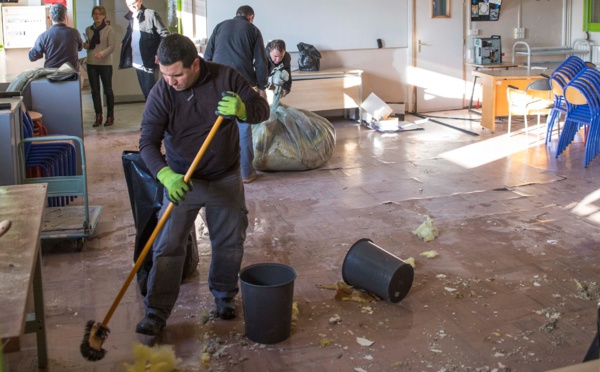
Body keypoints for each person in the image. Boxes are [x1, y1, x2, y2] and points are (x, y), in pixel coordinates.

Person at [136, 34, 269, 336]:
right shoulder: (162, 93)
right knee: (167, 245)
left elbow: (262, 109)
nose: (171, 81)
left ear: (195, 64)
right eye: (166, 74)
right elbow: (147, 143)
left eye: (178, 74)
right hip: (183, 179)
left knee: (229, 241)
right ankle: (156, 311)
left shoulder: (226, 78)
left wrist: (243, 110)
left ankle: (224, 296)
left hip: (225, 176)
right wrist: (165, 175)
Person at [204, 5, 269, 184]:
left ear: (236, 15)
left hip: (217, 80)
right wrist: (262, 87)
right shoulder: (253, 30)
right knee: (243, 127)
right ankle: (247, 172)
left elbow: (207, 56)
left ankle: (216, 171)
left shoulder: (220, 26)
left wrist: (206, 82)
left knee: (217, 126)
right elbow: (261, 62)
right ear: (251, 17)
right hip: (242, 82)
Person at [119, 0, 170, 100]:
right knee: (146, 93)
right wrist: (124, 42)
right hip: (137, 61)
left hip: (149, 60)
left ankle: (156, 114)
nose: (132, 6)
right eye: (129, 4)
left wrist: (158, 53)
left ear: (140, 1)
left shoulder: (150, 14)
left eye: (134, 2)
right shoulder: (132, 17)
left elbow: (165, 34)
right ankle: (151, 114)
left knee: (151, 92)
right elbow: (131, 33)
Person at [83, 6, 115, 127]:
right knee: (94, 91)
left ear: (104, 16)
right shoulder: (88, 30)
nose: (97, 16)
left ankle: (110, 115)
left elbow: (112, 46)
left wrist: (101, 54)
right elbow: (87, 46)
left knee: (108, 90)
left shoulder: (109, 29)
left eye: (100, 14)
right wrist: (85, 45)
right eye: (95, 14)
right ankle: (98, 115)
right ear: (92, 15)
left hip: (105, 63)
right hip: (91, 63)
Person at [29, 3, 83, 71]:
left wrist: (31, 50)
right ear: (65, 16)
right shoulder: (75, 33)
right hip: (72, 75)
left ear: (50, 17)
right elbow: (80, 48)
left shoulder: (44, 36)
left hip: (52, 76)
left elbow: (32, 57)